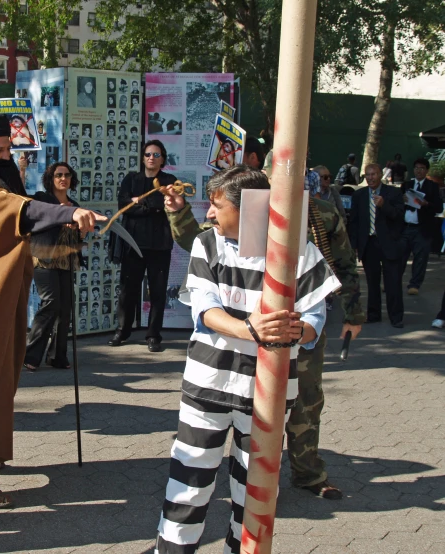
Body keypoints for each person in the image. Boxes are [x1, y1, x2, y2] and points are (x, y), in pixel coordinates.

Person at [155, 166, 340, 554]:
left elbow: (314, 321)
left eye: (217, 206)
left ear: (251, 209)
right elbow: (204, 311)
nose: (208, 213)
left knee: (254, 492)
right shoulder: (208, 245)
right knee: (188, 484)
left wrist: (296, 331)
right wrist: (252, 329)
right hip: (208, 387)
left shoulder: (298, 253)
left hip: (269, 395)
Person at [0, 115, 104, 509]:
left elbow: (21, 212)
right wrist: (67, 213)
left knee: (0, 383)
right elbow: (19, 210)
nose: (6, 156)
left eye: (8, 150)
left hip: (0, 298)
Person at [108, 140, 176, 353]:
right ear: (142, 157)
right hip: (133, 244)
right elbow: (123, 206)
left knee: (157, 292)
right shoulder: (131, 179)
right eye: (148, 154)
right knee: (128, 290)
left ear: (163, 159)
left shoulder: (169, 180)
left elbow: (162, 206)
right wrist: (148, 206)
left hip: (160, 245)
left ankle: (153, 334)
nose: (151, 158)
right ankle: (123, 329)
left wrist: (141, 203)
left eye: (156, 154)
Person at [23, 162, 82, 371]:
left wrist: (78, 226)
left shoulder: (74, 204)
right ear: (51, 178)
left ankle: (57, 356)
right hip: (44, 258)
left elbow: (80, 236)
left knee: (65, 308)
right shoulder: (42, 199)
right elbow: (27, 213)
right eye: (58, 175)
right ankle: (31, 355)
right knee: (51, 303)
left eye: (66, 175)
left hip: (66, 260)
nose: (63, 179)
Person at [348, 164, 405, 327]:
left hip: (389, 243)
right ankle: (373, 314)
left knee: (392, 282)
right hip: (369, 243)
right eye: (367, 175)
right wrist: (354, 245)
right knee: (372, 282)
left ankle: (396, 317)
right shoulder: (359, 195)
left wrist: (384, 206)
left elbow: (399, 216)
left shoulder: (393, 193)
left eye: (373, 174)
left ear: (381, 175)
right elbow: (354, 222)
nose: (371, 178)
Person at [400, 158, 443, 295]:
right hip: (405, 226)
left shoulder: (432, 186)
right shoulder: (407, 184)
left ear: (426, 170)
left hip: (422, 227)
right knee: (399, 256)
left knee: (420, 258)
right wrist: (401, 200)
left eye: (422, 168)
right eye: (417, 168)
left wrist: (426, 204)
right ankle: (394, 281)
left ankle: (415, 284)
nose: (419, 171)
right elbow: (395, 204)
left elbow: (438, 207)